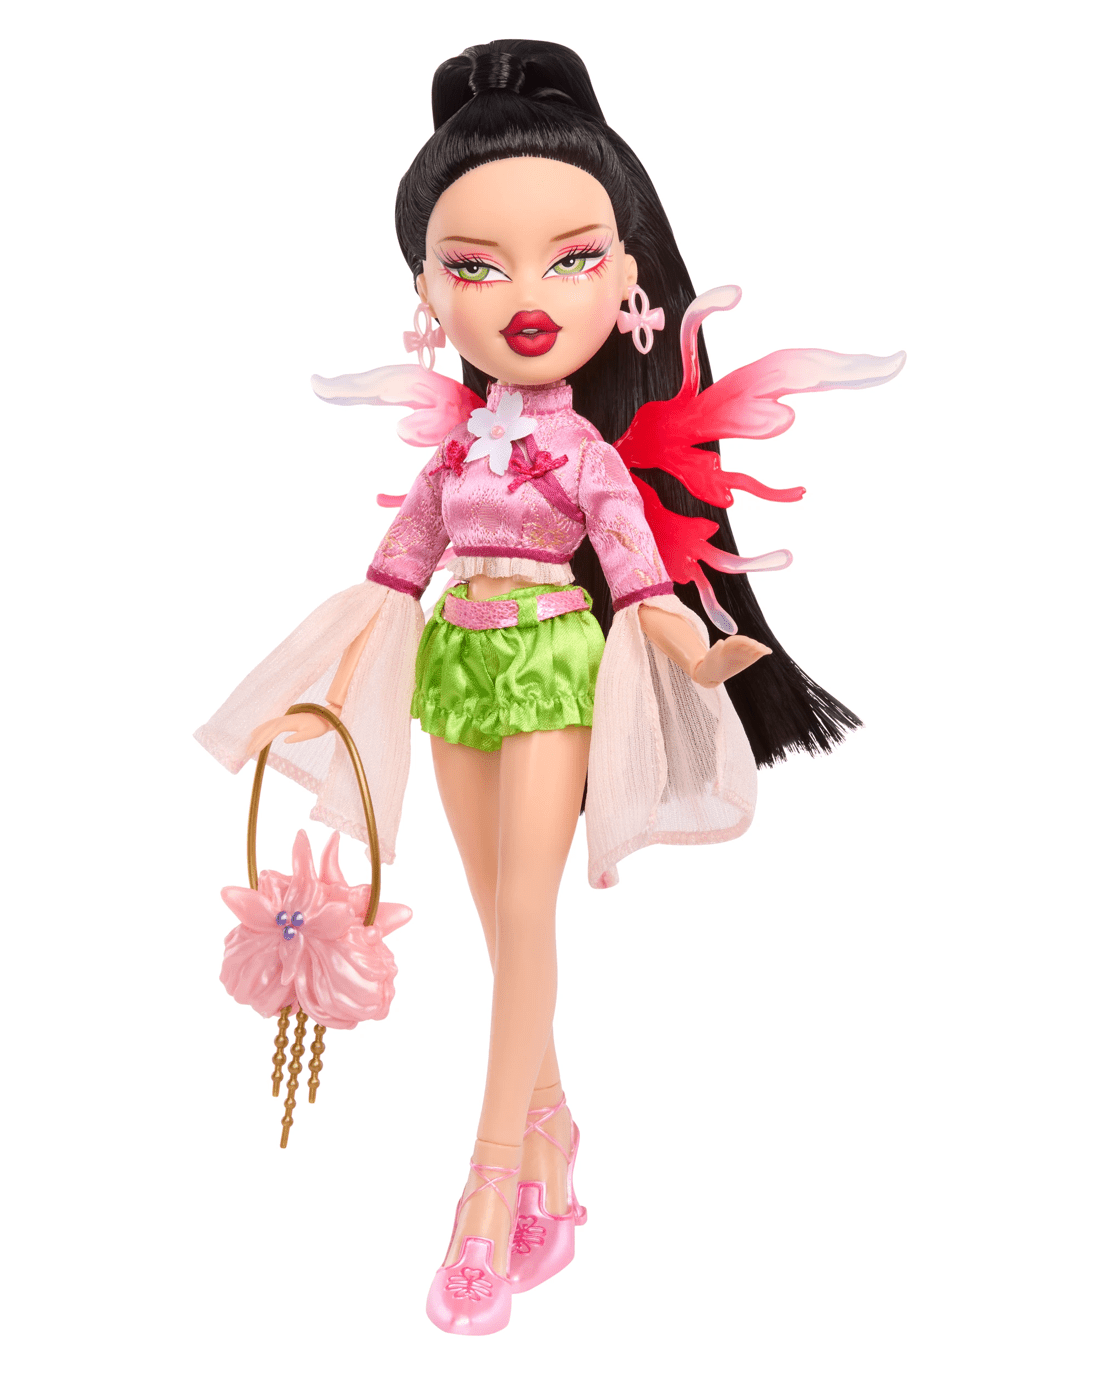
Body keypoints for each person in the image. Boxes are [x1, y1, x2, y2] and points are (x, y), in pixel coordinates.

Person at [197, 39, 899, 1335]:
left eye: (570, 259)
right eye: (476, 266)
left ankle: (485, 1194)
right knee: (498, 921)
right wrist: (325, 681)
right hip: (457, 675)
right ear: (426, 291)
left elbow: (636, 576)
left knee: (527, 912)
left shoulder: (585, 458)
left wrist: (698, 648)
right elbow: (392, 574)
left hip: (553, 669)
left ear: (628, 280)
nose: (525, 296)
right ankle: (556, 1135)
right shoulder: (461, 451)